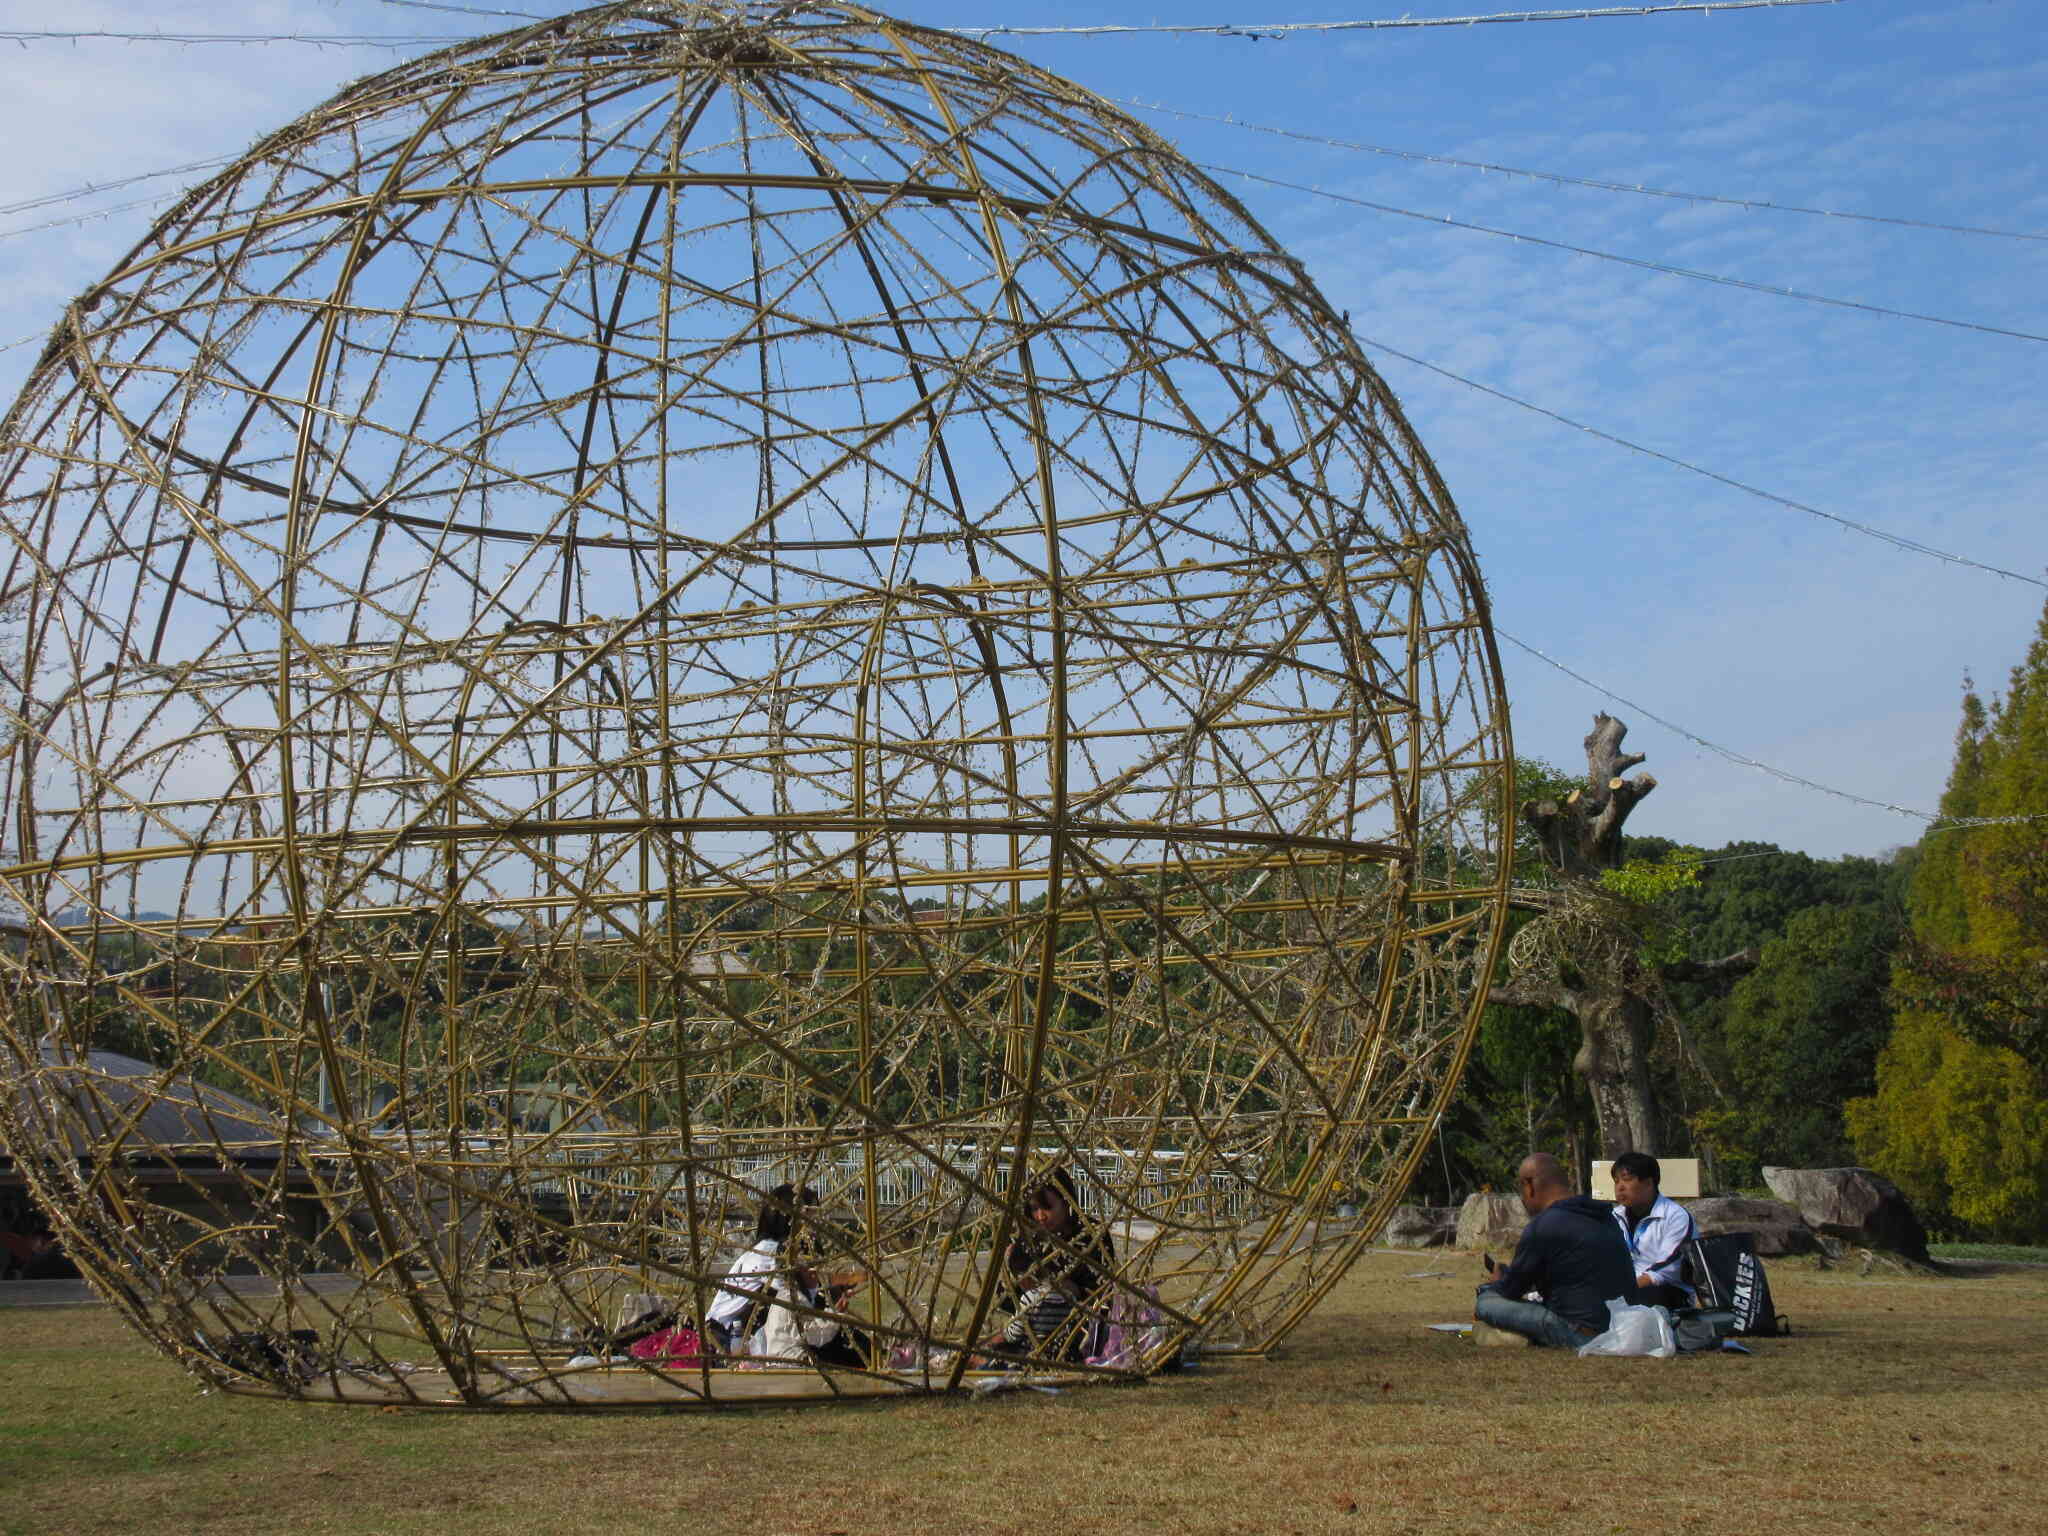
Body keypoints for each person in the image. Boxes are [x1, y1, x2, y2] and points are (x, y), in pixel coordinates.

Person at [1473, 1152, 1635, 1349]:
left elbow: (1511, 1290)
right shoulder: (1604, 1216)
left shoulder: (1542, 1226)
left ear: (1529, 1185)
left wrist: (1495, 1283)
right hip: (1623, 1328)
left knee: (1486, 1302)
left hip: (1579, 1332)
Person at [992, 1167, 1114, 1361]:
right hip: (1032, 1326)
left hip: (1078, 1328)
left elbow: (1106, 1295)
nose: (1040, 1216)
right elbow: (1006, 1301)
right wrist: (1015, 1281)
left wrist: (1073, 1290)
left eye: (1047, 1207)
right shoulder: (1028, 1240)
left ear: (1066, 1203)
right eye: (1034, 1209)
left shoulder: (1091, 1235)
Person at [704, 1182, 813, 1356]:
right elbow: (795, 1300)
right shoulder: (770, 1253)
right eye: (808, 1215)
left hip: (725, 1332)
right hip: (724, 1338)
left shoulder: (767, 1249)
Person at [1610, 1151, 1697, 1309]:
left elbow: (1667, 1269)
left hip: (1667, 1291)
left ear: (1649, 1183)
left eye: (1627, 1180)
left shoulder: (1675, 1216)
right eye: (1616, 1182)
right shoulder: (1614, 1216)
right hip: (1627, 1288)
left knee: (1645, 1297)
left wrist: (1624, 1291)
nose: (1620, 1187)